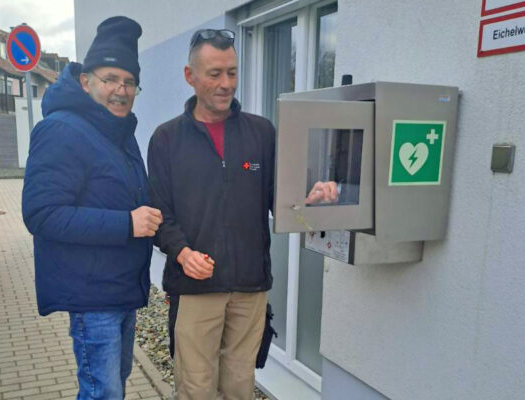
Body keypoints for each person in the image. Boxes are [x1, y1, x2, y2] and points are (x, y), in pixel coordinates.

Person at [147, 29, 336, 400]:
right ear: (190, 76)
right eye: (215, 73)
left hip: (250, 286)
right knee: (196, 389)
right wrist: (183, 254)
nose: (225, 83)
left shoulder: (261, 132)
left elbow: (280, 200)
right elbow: (159, 214)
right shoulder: (166, 139)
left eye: (232, 72)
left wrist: (308, 198)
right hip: (195, 286)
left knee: (239, 387)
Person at [22, 16, 162, 400]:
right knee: (103, 392)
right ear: (86, 81)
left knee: (113, 384)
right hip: (91, 295)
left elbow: (134, 199)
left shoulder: (118, 132)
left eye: (129, 81)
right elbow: (41, 213)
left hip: (120, 289)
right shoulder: (61, 129)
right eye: (110, 78)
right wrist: (126, 224)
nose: (121, 89)